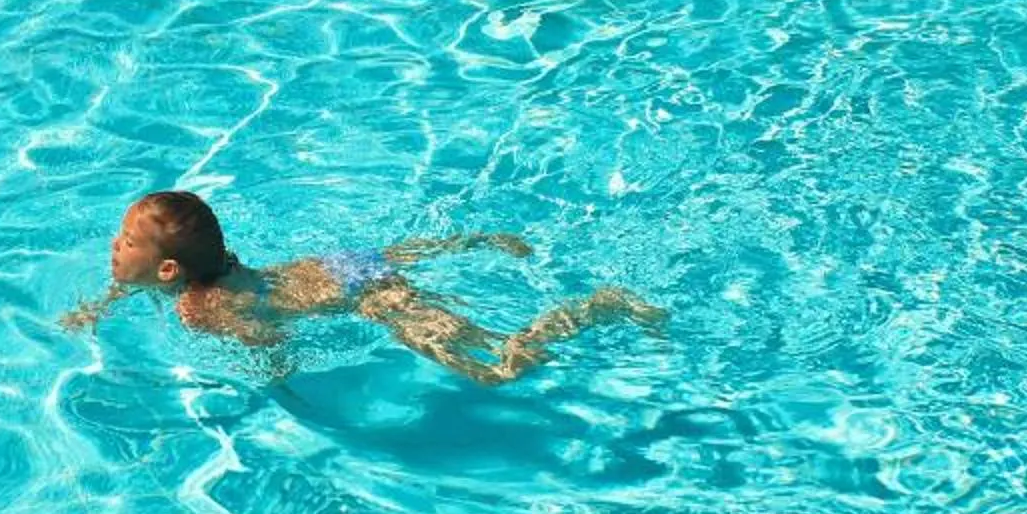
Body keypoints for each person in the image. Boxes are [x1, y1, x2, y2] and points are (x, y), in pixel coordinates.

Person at [65, 190, 662, 384]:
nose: (114, 247)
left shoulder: (201, 308)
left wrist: (277, 374)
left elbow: (264, 337)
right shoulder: (191, 275)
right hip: (339, 267)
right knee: (388, 260)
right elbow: (127, 287)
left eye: (125, 241)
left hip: (370, 294)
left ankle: (590, 310)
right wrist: (95, 308)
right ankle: (468, 240)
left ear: (167, 271)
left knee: (495, 370)